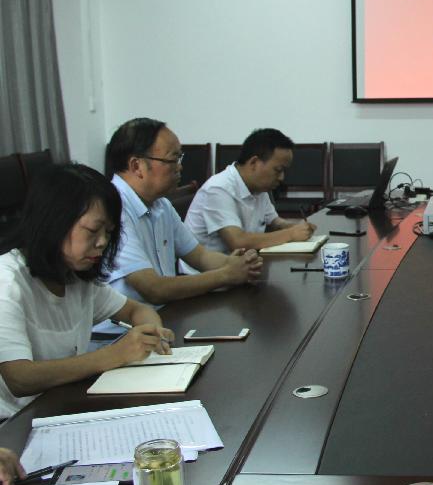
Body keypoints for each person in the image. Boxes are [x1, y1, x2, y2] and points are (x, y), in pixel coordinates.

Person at [0, 164, 173, 420]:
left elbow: (136, 310)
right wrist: (114, 354)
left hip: (59, 408)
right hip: (14, 424)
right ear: (54, 221)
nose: (102, 242)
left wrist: (151, 332)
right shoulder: (7, 281)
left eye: (109, 233)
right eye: (93, 231)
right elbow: (19, 377)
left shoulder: (75, 276)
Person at [104, 118, 262, 306]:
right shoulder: (113, 209)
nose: (180, 166)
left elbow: (200, 256)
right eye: (173, 159)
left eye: (180, 158)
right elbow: (154, 289)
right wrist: (226, 274)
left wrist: (240, 265)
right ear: (136, 166)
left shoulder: (161, 204)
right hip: (127, 324)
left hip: (163, 314)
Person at [186, 128, 316, 253]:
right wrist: (290, 234)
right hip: (210, 267)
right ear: (254, 163)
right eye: (278, 170)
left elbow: (275, 222)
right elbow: (238, 242)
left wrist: (294, 227)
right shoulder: (218, 189)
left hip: (242, 263)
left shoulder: (259, 188)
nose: (282, 177)